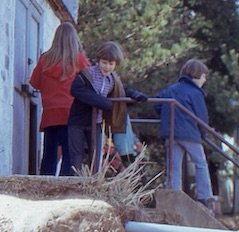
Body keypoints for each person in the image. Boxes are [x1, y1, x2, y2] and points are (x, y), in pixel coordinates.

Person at [67, 41, 147, 175]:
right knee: (76, 155)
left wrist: (135, 95)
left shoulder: (112, 79)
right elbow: (76, 89)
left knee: (96, 155)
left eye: (111, 64)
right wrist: (101, 102)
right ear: (98, 60)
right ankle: (73, 185)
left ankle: (94, 186)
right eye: (104, 62)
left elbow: (122, 91)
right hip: (78, 120)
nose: (107, 67)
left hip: (97, 122)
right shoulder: (87, 74)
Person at [29, 22, 90, 175]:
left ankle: (44, 185)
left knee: (49, 153)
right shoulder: (78, 59)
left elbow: (34, 83)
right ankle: (64, 188)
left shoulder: (45, 59)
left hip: (50, 113)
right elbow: (91, 82)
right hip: (72, 113)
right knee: (69, 155)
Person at [155, 59, 213, 207]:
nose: (204, 81)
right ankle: (204, 197)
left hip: (171, 133)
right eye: (204, 77)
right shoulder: (195, 92)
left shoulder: (171, 89)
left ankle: (174, 196)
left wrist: (166, 116)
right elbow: (202, 117)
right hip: (190, 134)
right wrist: (203, 135)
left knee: (173, 167)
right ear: (197, 75)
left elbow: (156, 103)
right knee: (200, 163)